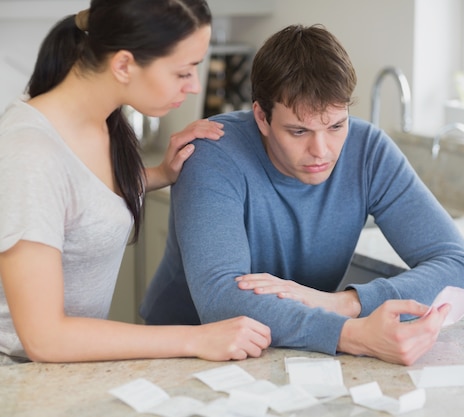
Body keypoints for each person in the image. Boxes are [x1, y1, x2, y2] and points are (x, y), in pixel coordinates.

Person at [141, 24, 464, 366]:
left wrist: (344, 304)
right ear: (262, 116)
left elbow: (462, 269)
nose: (321, 151)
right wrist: (350, 334)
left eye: (336, 126)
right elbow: (221, 300)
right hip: (185, 354)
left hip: (297, 350)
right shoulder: (212, 153)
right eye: (298, 131)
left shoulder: (368, 151)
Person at [0, 0, 271, 365]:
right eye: (183, 71)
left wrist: (159, 174)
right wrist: (197, 338)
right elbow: (45, 339)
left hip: (60, 371)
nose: (193, 86)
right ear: (124, 64)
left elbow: (77, 193)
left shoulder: (99, 120)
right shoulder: (29, 154)